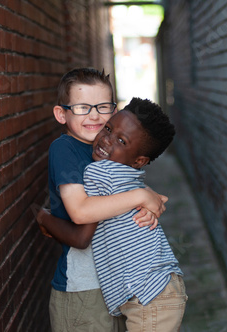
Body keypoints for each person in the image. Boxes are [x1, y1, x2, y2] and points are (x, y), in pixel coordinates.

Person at [44, 68, 168, 332]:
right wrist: (141, 195)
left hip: (119, 285)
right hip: (83, 289)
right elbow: (80, 212)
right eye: (81, 107)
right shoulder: (65, 149)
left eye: (102, 106)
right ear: (61, 114)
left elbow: (125, 198)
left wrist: (149, 206)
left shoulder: (107, 149)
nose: (94, 115)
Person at [85, 97, 187, 332]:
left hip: (149, 294)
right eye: (108, 129)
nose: (106, 140)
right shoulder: (130, 174)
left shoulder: (101, 171)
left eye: (121, 140)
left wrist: (46, 218)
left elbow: (80, 211)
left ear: (139, 161)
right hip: (159, 289)